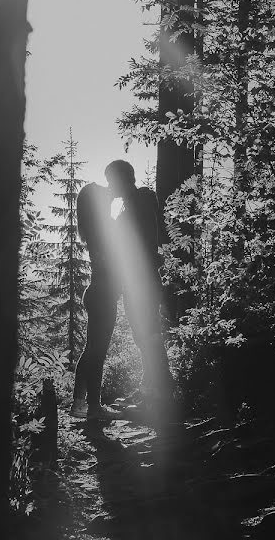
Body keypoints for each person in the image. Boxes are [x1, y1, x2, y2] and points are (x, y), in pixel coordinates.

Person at [104, 160, 175, 408]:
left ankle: (161, 394)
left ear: (122, 179)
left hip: (141, 280)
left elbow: (136, 244)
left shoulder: (138, 205)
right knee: (144, 335)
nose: (109, 186)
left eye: (111, 180)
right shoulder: (138, 203)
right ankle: (151, 390)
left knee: (147, 335)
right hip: (140, 280)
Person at [69, 182, 124, 420]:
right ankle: (93, 407)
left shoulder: (93, 228)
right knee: (97, 353)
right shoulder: (105, 228)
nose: (110, 195)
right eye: (105, 195)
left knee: (91, 350)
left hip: (96, 293)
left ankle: (79, 403)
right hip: (103, 295)